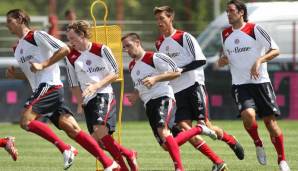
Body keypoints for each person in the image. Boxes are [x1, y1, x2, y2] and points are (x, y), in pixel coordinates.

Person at [6, 9, 120, 171]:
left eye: (9, 21)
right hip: (41, 89)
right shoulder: (17, 48)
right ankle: (109, 164)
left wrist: (43, 64)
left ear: (20, 19)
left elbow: (65, 49)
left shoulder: (37, 36)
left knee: (26, 121)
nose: (6, 24)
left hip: (50, 86)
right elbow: (31, 74)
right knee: (73, 129)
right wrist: (15, 75)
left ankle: (65, 149)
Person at [31, 20, 139, 171]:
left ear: (82, 35)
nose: (71, 42)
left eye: (73, 38)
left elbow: (115, 73)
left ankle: (121, 168)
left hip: (104, 94)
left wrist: (96, 86)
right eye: (69, 39)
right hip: (88, 100)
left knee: (99, 130)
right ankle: (129, 153)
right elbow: (74, 84)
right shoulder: (70, 56)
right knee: (99, 142)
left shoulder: (101, 49)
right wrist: (80, 103)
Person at [154, 6, 245, 171]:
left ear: (171, 18)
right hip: (176, 92)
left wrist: (180, 70)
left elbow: (201, 61)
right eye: (157, 19)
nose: (159, 22)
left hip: (193, 86)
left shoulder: (184, 37)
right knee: (185, 130)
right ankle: (218, 162)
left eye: (162, 18)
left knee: (206, 126)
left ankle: (230, 139)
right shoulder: (159, 43)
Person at [122, 32, 218, 171]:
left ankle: (179, 168)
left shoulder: (154, 57)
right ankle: (203, 138)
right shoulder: (131, 66)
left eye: (128, 46)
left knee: (163, 130)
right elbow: (140, 86)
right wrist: (135, 94)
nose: (127, 50)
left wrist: (155, 78)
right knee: (167, 145)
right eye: (124, 47)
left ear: (137, 42)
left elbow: (175, 72)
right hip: (149, 104)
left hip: (163, 98)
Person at [217, 1, 290, 171]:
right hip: (240, 84)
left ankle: (282, 160)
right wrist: (222, 61)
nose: (228, 14)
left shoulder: (254, 29)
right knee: (248, 115)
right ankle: (258, 143)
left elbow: (275, 50)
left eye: (231, 11)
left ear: (241, 12)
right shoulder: (225, 34)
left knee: (270, 124)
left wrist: (259, 60)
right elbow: (224, 57)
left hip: (261, 83)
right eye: (227, 11)